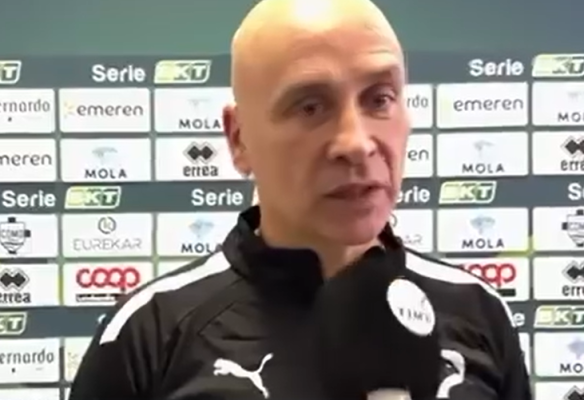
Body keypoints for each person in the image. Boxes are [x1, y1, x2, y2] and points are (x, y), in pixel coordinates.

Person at [68, 0, 532, 399]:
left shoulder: (479, 312)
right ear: (239, 138)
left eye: (379, 99)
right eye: (311, 106)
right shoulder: (149, 335)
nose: (356, 143)